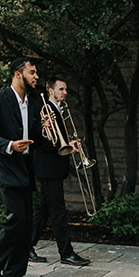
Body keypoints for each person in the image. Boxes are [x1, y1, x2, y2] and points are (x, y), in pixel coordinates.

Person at [0, 57, 47, 277]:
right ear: (18, 74)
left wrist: (47, 133)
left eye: (36, 73)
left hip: (25, 169)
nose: (36, 76)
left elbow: (34, 139)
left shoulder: (34, 103)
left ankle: (14, 275)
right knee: (15, 220)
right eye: (32, 72)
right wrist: (9, 145)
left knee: (26, 224)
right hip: (5, 168)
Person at [29, 77, 90, 266]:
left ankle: (26, 247)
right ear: (50, 90)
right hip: (48, 167)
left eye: (65, 89)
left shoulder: (59, 109)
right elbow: (40, 140)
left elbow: (57, 139)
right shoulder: (44, 109)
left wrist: (70, 143)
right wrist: (65, 146)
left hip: (54, 167)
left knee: (44, 210)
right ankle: (66, 252)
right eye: (61, 89)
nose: (65, 92)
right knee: (58, 211)